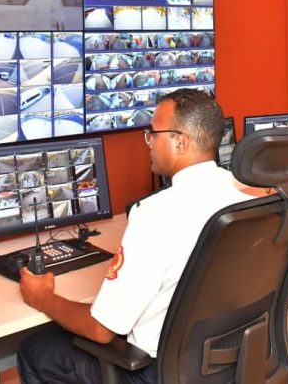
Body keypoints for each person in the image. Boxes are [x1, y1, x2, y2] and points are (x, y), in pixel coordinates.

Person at [17, 89, 250, 384]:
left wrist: (43, 297)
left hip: (154, 373)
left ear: (180, 142)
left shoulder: (155, 214)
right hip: (225, 361)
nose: (148, 143)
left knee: (34, 349)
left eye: (153, 134)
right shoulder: (243, 195)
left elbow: (101, 330)